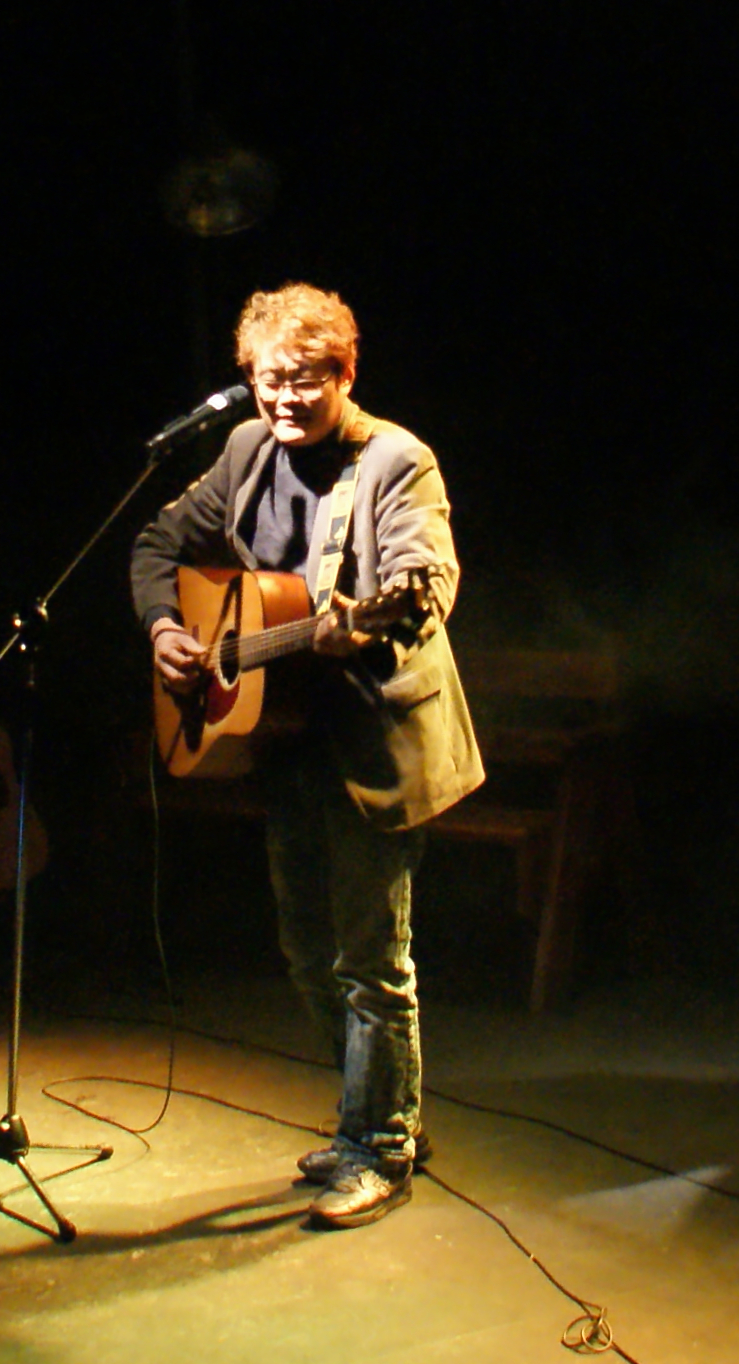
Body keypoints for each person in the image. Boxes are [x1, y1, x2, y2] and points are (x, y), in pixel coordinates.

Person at [131, 283, 483, 1228]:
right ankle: (375, 1111)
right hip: (286, 744)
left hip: (375, 742)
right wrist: (165, 625)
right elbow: (159, 542)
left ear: (345, 372)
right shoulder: (246, 448)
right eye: (267, 380)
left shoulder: (397, 460)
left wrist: (361, 626)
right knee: (304, 952)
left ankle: (381, 1145)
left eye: (303, 380)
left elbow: (427, 581)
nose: (283, 398)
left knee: (371, 961)